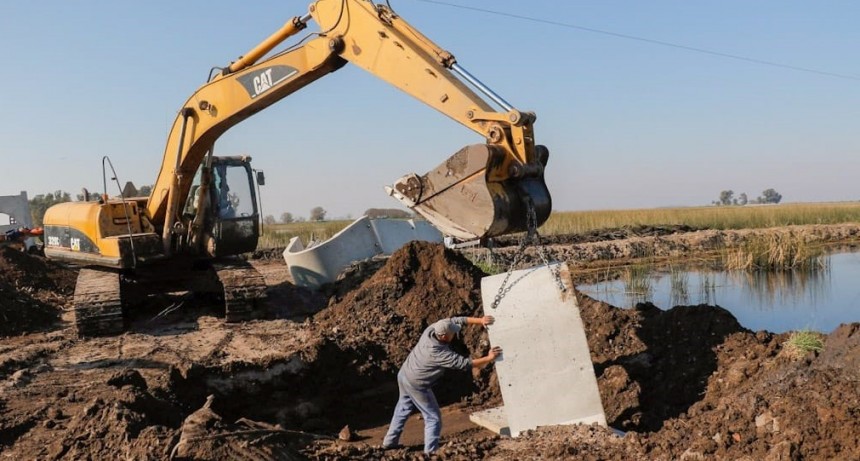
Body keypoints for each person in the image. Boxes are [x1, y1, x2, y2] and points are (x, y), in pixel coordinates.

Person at [382, 316, 502, 454]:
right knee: (433, 417)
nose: (454, 335)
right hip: (417, 384)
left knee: (402, 408)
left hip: (404, 375)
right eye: (452, 334)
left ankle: (389, 442)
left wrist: (480, 320)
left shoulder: (432, 329)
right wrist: (489, 358)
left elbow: (457, 320)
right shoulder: (438, 353)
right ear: (444, 336)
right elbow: (465, 364)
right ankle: (431, 453)